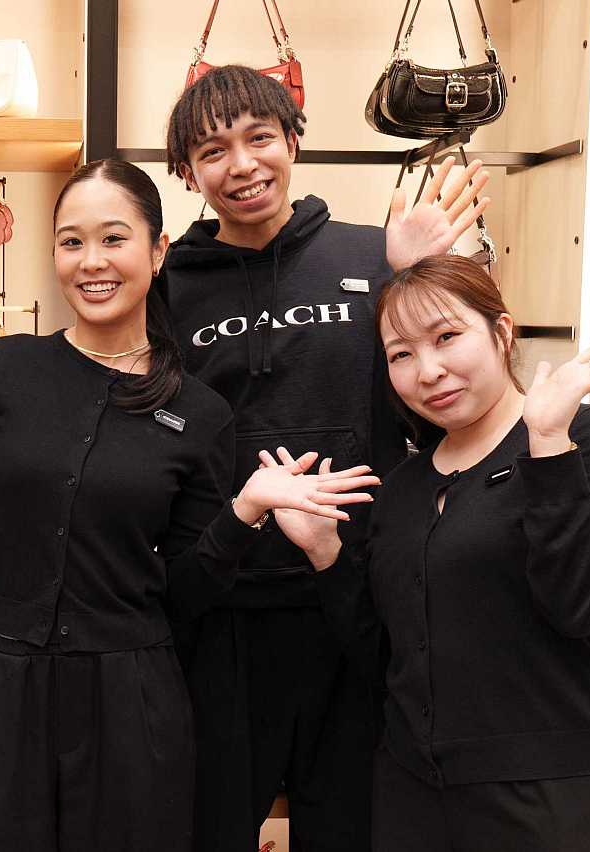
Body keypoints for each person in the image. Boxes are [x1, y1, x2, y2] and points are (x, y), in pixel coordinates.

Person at [0, 158, 381, 851]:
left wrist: (243, 513)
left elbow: (182, 597)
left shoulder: (200, 413)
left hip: (133, 706)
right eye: (72, 242)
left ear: (157, 251)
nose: (91, 261)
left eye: (113, 238)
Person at [160, 64, 490, 851]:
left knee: (349, 827)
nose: (241, 165)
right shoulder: (169, 287)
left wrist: (413, 275)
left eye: (259, 138)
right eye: (212, 151)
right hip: (227, 608)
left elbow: (440, 387)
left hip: (355, 595)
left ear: (293, 141)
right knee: (210, 827)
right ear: (189, 173)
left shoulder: (375, 254)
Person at [318, 254, 590, 851]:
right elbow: (385, 652)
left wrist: (547, 442)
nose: (429, 371)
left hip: (562, 790)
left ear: (502, 331)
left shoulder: (589, 439)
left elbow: (584, 606)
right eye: (401, 354)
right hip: (416, 792)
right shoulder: (402, 488)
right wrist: (324, 550)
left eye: (447, 337)